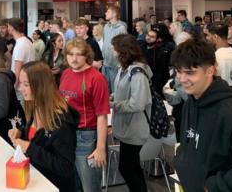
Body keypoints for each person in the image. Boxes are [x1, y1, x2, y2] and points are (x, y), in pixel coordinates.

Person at [171, 40, 232, 192]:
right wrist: (182, 163)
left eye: (190, 72)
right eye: (179, 71)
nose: (182, 79)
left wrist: (211, 186)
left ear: (210, 71)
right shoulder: (191, 101)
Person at [9, 61, 79, 192]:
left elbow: (65, 166)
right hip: (36, 181)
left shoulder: (61, 122)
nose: (20, 88)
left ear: (40, 86)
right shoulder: (34, 107)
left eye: (26, 84)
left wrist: (29, 148)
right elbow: (36, 136)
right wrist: (20, 132)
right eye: (21, 83)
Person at [59, 38, 109, 192]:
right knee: (74, 184)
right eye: (70, 54)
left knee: (90, 187)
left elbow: (102, 116)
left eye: (79, 54)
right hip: (67, 134)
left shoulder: (96, 78)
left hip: (87, 138)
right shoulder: (66, 73)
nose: (74, 59)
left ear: (86, 55)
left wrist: (100, 148)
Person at [110, 34, 151, 192]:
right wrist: (114, 96)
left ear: (123, 51)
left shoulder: (138, 73)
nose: (112, 51)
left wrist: (113, 104)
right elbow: (125, 91)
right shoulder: (124, 69)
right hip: (127, 126)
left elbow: (138, 103)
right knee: (133, 168)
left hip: (135, 128)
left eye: (114, 48)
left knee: (126, 169)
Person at [206, 23, 232, 94]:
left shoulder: (215, 57)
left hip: (221, 100)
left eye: (208, 35)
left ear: (215, 36)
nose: (207, 38)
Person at [102, 5, 127, 93]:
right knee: (105, 89)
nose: (105, 13)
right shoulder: (106, 27)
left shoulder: (121, 28)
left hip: (116, 65)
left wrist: (121, 63)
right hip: (105, 64)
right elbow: (105, 43)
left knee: (115, 90)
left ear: (114, 14)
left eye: (108, 11)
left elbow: (124, 47)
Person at [141, 29, 171, 95]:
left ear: (157, 39)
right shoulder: (141, 46)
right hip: (142, 80)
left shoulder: (160, 51)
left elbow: (161, 72)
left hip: (155, 82)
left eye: (152, 37)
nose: (148, 38)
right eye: (148, 35)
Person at [8, 18, 36, 90]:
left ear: (11, 28)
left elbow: (17, 70)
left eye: (8, 26)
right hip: (29, 82)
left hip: (20, 87)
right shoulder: (28, 41)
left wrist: (13, 87)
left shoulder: (20, 45)